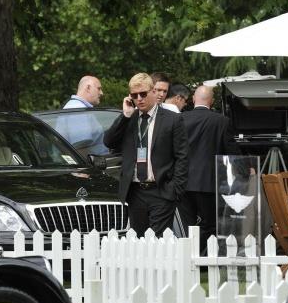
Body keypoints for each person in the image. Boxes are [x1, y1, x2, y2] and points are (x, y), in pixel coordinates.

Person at [104, 73, 188, 237]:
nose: (139, 99)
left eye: (143, 94)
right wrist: (125, 115)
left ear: (153, 92)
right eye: (135, 96)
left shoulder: (172, 119)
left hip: (161, 190)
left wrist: (174, 190)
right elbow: (109, 141)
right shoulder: (129, 118)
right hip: (135, 192)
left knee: (158, 241)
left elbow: (182, 157)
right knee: (139, 242)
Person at [179, 85, 241, 254]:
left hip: (182, 181)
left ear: (193, 99)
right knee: (210, 224)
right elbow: (231, 151)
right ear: (212, 101)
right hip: (208, 182)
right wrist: (245, 169)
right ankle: (198, 255)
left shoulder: (180, 119)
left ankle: (189, 255)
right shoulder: (221, 121)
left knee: (188, 224)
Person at [57, 75, 105, 155]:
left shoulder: (76, 107)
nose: (101, 93)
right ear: (88, 88)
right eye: (99, 89)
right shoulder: (78, 110)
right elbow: (81, 149)